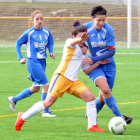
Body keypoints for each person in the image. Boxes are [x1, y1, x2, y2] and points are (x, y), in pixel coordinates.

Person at [14, 20, 107, 132]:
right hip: (61, 77)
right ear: (74, 36)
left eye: (85, 36)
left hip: (73, 81)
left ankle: (92, 126)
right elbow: (73, 42)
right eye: (80, 36)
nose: (83, 39)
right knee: (47, 103)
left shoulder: (83, 51)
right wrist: (80, 40)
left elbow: (86, 70)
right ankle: (22, 117)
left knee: (91, 97)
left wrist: (98, 63)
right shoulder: (70, 43)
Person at [82, 5, 133, 124]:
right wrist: (93, 59)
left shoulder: (108, 29)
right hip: (95, 66)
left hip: (109, 66)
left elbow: (111, 51)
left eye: (103, 20)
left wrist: (96, 58)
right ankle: (121, 117)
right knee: (105, 90)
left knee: (103, 96)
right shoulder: (86, 28)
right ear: (92, 18)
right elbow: (76, 35)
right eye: (98, 20)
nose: (101, 23)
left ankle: (90, 115)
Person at [8, 10, 56, 117]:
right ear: (32, 20)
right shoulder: (29, 33)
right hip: (32, 61)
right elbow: (17, 44)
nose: (39, 21)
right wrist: (20, 58)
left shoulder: (47, 32)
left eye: (41, 18)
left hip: (42, 61)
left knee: (35, 88)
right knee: (46, 85)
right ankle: (46, 111)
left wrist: (51, 51)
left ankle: (14, 99)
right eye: (37, 19)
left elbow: (50, 42)